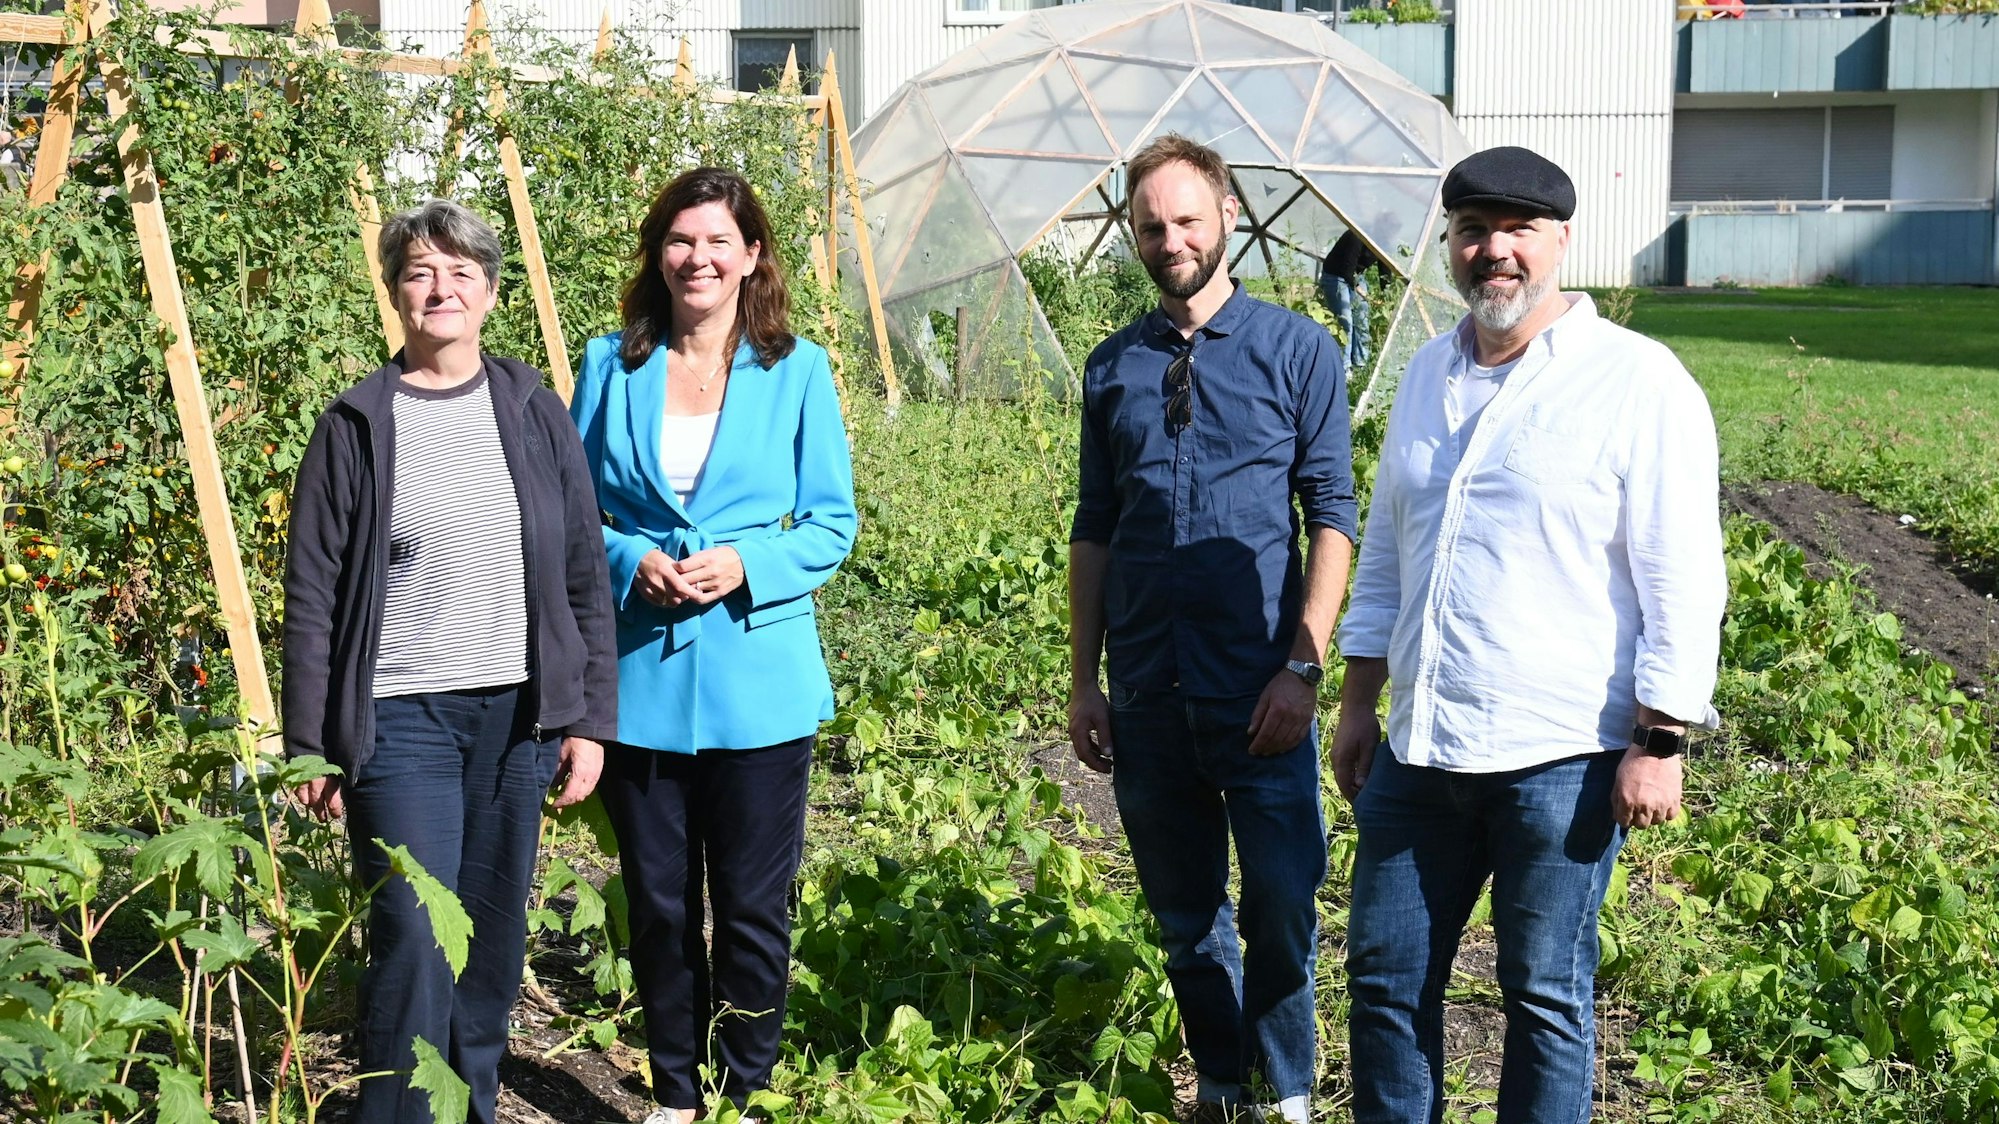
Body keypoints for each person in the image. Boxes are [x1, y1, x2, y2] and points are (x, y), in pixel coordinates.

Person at [1332, 145, 1728, 1123]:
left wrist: (1662, 739)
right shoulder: (1427, 371)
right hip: (1420, 746)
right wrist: (1353, 701)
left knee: (1544, 996)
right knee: (1383, 983)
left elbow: (1682, 570)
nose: (1492, 251)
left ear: (1560, 240)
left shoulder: (1636, 379)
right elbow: (1385, 550)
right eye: (1472, 231)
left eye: (1516, 230)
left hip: (1564, 755)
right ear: (1449, 245)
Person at [282, 198, 618, 1124]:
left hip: (516, 718)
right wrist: (311, 744)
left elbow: (583, 569)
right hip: (401, 723)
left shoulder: (532, 409)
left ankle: (468, 1107)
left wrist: (589, 719)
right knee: (417, 934)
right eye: (420, 272)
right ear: (394, 294)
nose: (441, 289)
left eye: (461, 273)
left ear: (490, 293)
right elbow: (311, 593)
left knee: (493, 937)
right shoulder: (356, 423)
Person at [1067, 134, 1357, 1124]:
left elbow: (1331, 515)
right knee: (1188, 917)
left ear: (1227, 214)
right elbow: (1093, 528)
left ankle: (1286, 1093)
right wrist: (1082, 677)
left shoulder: (1298, 350)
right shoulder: (1112, 369)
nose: (1169, 238)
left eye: (1186, 218)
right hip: (1149, 689)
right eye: (1150, 224)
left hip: (1260, 690)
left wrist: (1304, 665)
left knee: (1280, 900)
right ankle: (1223, 1083)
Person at [569, 167, 856, 1124]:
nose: (697, 258)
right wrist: (627, 558)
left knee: (748, 909)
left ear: (752, 256)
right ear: (659, 252)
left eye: (717, 242)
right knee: (654, 903)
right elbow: (574, 512)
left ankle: (746, 1091)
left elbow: (829, 524)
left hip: (756, 677)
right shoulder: (609, 362)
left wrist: (744, 563)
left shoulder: (798, 368)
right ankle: (676, 1095)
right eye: (681, 240)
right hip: (641, 674)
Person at [1319, 229, 1381, 374]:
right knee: (1345, 322)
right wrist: (1364, 294)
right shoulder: (1357, 235)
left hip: (1355, 276)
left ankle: (1361, 364)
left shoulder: (1382, 242)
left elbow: (1385, 269)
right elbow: (1347, 270)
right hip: (1336, 276)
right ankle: (1344, 369)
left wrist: (1386, 295)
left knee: (1362, 319)